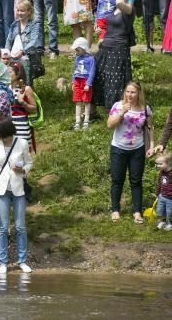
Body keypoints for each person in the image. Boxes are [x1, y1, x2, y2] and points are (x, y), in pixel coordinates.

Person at [0, 119, 33, 275]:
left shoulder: (22, 143)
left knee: (20, 226)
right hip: (1, 190)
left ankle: (22, 260)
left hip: (18, 188)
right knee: (3, 227)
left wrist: (22, 171)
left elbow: (29, 163)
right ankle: (3, 261)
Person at [106, 81, 157, 224]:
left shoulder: (145, 109)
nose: (130, 95)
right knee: (117, 180)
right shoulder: (117, 106)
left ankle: (137, 212)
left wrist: (152, 145)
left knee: (136, 181)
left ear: (139, 93)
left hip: (137, 150)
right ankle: (115, 210)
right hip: (118, 149)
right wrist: (122, 113)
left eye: (133, 92)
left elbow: (149, 128)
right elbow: (109, 125)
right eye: (127, 92)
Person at [93, 0, 134, 111]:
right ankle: (93, 112)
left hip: (119, 48)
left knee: (115, 80)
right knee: (95, 74)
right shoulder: (113, 10)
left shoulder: (129, 8)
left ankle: (115, 110)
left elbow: (120, 3)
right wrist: (99, 31)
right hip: (106, 47)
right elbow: (107, 24)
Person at [4, 0, 42, 83]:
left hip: (26, 58)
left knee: (26, 82)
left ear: (29, 12)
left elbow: (34, 41)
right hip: (13, 58)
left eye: (22, 11)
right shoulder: (14, 25)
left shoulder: (34, 25)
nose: (19, 13)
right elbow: (9, 40)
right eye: (18, 10)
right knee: (12, 82)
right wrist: (6, 53)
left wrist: (23, 51)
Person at [8, 61, 38, 155]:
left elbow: (34, 108)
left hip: (21, 127)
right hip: (8, 126)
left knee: (21, 156)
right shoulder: (6, 88)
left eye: (10, 72)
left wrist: (23, 103)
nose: (7, 74)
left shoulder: (26, 89)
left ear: (18, 74)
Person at [71, 37, 95, 130]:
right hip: (77, 81)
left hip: (85, 82)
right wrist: (73, 82)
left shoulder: (90, 59)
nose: (76, 52)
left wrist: (88, 83)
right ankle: (77, 120)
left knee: (86, 101)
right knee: (77, 101)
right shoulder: (77, 58)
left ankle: (86, 120)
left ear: (83, 48)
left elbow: (92, 72)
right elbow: (75, 70)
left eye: (77, 50)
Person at [154, 154, 172, 231]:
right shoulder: (161, 172)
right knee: (160, 210)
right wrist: (157, 193)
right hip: (162, 196)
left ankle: (169, 224)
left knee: (169, 212)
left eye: (160, 164)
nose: (158, 166)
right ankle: (162, 221)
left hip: (170, 198)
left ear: (168, 163)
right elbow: (159, 183)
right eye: (157, 164)